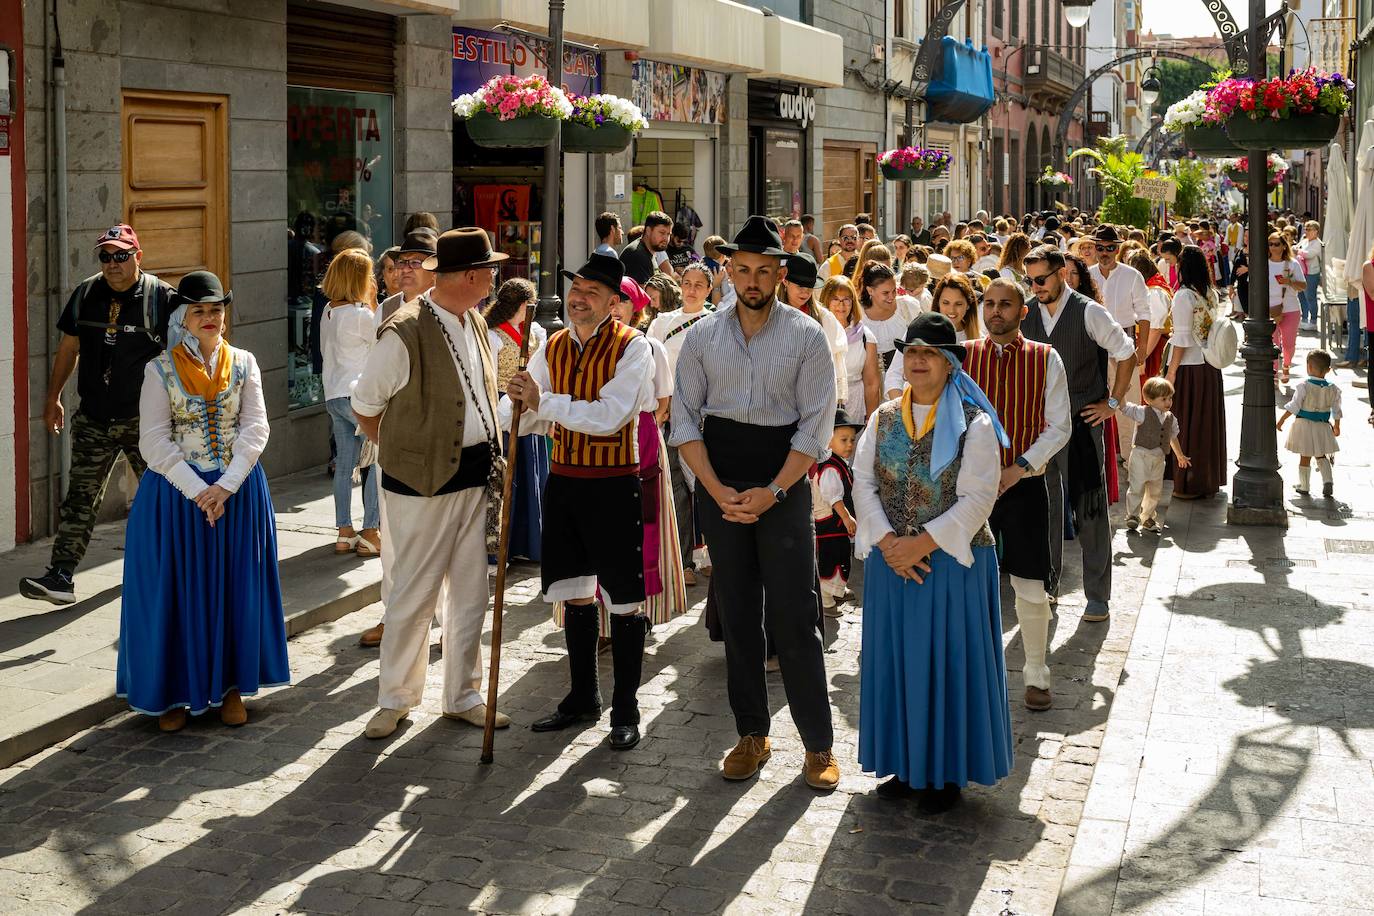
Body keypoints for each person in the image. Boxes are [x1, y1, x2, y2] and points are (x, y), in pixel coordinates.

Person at [671, 215, 841, 790]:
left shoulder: (807, 336)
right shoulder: (701, 336)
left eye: (763, 271)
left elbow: (815, 428)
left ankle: (817, 745)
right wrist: (715, 489)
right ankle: (751, 734)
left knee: (796, 615)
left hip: (783, 479)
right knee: (738, 614)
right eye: (742, 269)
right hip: (719, 477)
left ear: (779, 274)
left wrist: (773, 492)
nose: (752, 280)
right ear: (729, 272)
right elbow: (684, 421)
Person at [351, 228, 511, 740]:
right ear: (470, 276)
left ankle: (462, 695)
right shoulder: (404, 330)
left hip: (475, 480)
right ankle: (395, 700)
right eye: (488, 270)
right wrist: (408, 451)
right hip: (421, 486)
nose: (493, 278)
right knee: (413, 595)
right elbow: (365, 406)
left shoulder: (474, 321)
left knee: (470, 595)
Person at [853, 312, 1014, 813]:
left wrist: (920, 545)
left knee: (947, 664)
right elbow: (863, 482)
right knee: (898, 662)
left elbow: (978, 498)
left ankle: (944, 773)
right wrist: (888, 544)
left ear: (949, 364)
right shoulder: (882, 418)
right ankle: (904, 765)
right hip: (892, 564)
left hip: (950, 566)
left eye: (930, 353)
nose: (919, 360)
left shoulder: (974, 423)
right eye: (912, 352)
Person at [118, 271, 286, 732]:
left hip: (238, 491)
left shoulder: (245, 363)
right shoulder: (159, 369)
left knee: (235, 588)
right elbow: (153, 440)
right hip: (176, 496)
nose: (209, 317)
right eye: (199, 311)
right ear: (183, 318)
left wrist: (226, 486)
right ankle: (173, 693)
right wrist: (198, 491)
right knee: (174, 591)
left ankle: (231, 687)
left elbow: (256, 429)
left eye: (216, 309)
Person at [505, 253, 657, 751]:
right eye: (577, 288)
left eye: (593, 291)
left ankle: (626, 709)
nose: (579, 298)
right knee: (574, 592)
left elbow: (610, 415)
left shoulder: (633, 346)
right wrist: (510, 407)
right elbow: (527, 403)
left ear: (614, 302)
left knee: (625, 600)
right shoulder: (552, 346)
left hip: (614, 485)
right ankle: (583, 696)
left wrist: (541, 403)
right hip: (565, 481)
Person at [21, 224, 176, 605]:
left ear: (138, 256)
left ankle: (174, 570)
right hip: (94, 418)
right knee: (80, 499)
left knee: (166, 498)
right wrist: (53, 397)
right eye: (106, 256)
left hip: (145, 422)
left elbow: (183, 355)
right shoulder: (86, 294)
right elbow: (68, 348)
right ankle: (61, 577)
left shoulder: (162, 299)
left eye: (121, 255)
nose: (112, 263)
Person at [962, 278, 1071, 711]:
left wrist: (1018, 467)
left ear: (1023, 311)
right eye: (989, 303)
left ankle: (1037, 672)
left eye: (1005, 304)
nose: (995, 311)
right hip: (970, 489)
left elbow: (1059, 426)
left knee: (1030, 582)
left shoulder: (1046, 358)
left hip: (1024, 485)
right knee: (967, 578)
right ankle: (969, 673)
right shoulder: (962, 355)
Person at [1021, 245, 1138, 622]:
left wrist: (1113, 403)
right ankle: (1048, 586)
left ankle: (1097, 596)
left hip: (1082, 424)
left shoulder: (1089, 311)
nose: (1036, 287)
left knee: (1090, 510)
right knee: (1044, 509)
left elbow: (1128, 354)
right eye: (1030, 280)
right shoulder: (1026, 313)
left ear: (1061, 274)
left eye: (1041, 279)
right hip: (1039, 429)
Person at [357, 229, 439, 650]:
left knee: (437, 538)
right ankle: (393, 615)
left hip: (436, 438)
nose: (404, 270)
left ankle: (441, 620)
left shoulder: (446, 308)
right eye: (401, 262)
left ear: (435, 269)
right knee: (391, 535)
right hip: (392, 433)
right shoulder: (386, 309)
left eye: (415, 262)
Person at [649, 263, 716, 586]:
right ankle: (684, 559)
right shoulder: (662, 323)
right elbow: (651, 367)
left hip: (705, 413)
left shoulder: (717, 322)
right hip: (671, 412)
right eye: (687, 283)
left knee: (707, 484)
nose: (691, 290)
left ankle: (712, 554)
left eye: (699, 285)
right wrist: (660, 406)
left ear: (709, 289)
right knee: (676, 487)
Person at [319, 248, 381, 557]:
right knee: (378, 459)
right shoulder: (362, 315)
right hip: (358, 395)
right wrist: (373, 303)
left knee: (344, 465)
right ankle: (371, 530)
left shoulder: (328, 311)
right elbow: (383, 345)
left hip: (333, 394)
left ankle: (344, 532)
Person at [485, 278, 549, 563]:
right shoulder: (493, 335)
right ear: (523, 305)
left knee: (530, 474)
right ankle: (505, 546)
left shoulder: (534, 331)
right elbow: (489, 377)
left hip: (529, 406)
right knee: (508, 477)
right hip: (504, 406)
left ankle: (530, 543)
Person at [1088, 226, 1150, 462]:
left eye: (1110, 248)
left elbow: (1144, 313)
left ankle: (1131, 458)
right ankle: (1099, 458)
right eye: (1100, 247)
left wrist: (1142, 348)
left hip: (1124, 345)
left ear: (1117, 249)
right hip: (1094, 345)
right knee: (1094, 401)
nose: (1104, 252)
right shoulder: (1087, 275)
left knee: (1128, 403)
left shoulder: (1132, 275)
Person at [780, 253, 849, 410]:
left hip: (814, 397)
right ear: (785, 281)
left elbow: (833, 365)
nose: (805, 293)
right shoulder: (770, 314)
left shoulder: (824, 318)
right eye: (800, 287)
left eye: (809, 287)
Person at [1121, 377, 1190, 531]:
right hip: (1140, 456)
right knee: (1137, 486)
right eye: (1163, 399)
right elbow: (1124, 408)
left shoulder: (1171, 418)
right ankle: (1132, 515)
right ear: (1149, 399)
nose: (1168, 402)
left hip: (1159, 459)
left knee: (1155, 491)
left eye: (1170, 398)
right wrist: (1123, 393)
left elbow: (1172, 437)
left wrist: (1179, 455)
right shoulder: (1142, 412)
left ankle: (1147, 517)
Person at [811, 409, 862, 618]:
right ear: (828, 440)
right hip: (830, 524)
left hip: (836, 524)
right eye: (843, 440)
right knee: (830, 559)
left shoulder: (839, 463)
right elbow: (834, 497)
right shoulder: (830, 467)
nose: (849, 444)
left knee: (841, 555)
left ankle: (837, 589)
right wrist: (846, 517)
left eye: (852, 440)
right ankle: (826, 599)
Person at [1276, 348, 1341, 498]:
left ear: (1309, 367)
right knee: (1321, 455)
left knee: (1305, 456)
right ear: (1328, 370)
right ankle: (1328, 481)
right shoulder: (1333, 389)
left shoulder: (1304, 386)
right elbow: (1336, 409)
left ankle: (1304, 486)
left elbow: (1294, 406)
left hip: (1304, 425)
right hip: (1322, 426)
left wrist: (1282, 420)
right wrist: (1337, 426)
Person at [821, 276, 880, 417]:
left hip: (854, 406)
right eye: (835, 299)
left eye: (846, 299)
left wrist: (871, 420)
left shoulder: (865, 336)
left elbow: (871, 383)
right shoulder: (816, 331)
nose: (841, 305)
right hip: (822, 402)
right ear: (826, 300)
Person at [1267, 231, 1308, 384]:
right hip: (1269, 310)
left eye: (1276, 244)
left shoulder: (1292, 264)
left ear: (1284, 246)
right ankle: (1274, 373)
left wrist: (1289, 282)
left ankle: (1286, 365)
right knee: (1273, 343)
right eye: (1270, 244)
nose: (1273, 247)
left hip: (1291, 308)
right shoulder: (1263, 264)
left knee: (1289, 344)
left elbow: (1303, 286)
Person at [1129, 250, 1173, 382]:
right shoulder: (1153, 288)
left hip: (1152, 347)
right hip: (1147, 344)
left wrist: (1142, 358)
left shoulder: (1155, 293)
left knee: (1149, 387)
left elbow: (1155, 329)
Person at [859, 263, 911, 373]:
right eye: (885, 293)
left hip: (904, 376)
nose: (891, 297)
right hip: (869, 378)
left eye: (894, 291)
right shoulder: (858, 315)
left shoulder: (907, 307)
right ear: (870, 291)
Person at [620, 210, 674, 284]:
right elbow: (643, 290)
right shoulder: (637, 255)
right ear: (648, 231)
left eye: (668, 234)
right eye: (662, 233)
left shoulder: (648, 251)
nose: (666, 238)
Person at [1297, 220, 1325, 332]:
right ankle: (1304, 319)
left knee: (1310, 297)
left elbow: (1309, 254)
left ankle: (1313, 321)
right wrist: (1298, 250)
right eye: (1306, 229)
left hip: (1312, 273)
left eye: (1309, 229)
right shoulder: (1304, 241)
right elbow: (1296, 248)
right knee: (1301, 296)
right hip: (1301, 273)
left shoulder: (1318, 243)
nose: (1306, 231)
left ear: (1316, 231)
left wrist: (1298, 251)